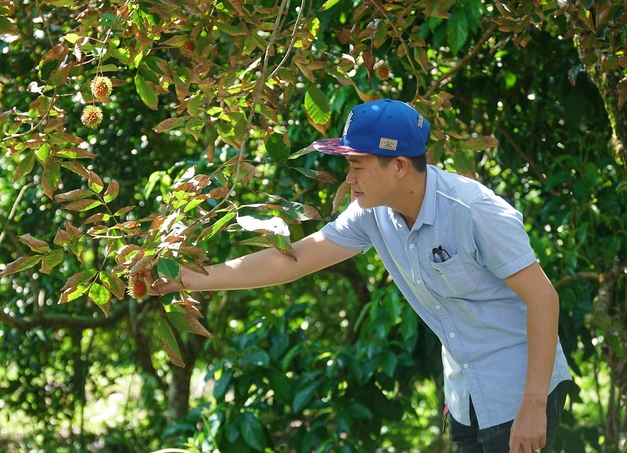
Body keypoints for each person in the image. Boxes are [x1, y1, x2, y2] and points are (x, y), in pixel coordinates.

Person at [154, 99, 572, 453]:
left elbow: (543, 298)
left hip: (521, 388)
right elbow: (292, 260)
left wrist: (533, 403)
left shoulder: (473, 211)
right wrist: (188, 278)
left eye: (357, 165)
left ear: (400, 167)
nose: (348, 178)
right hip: (466, 393)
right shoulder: (371, 214)